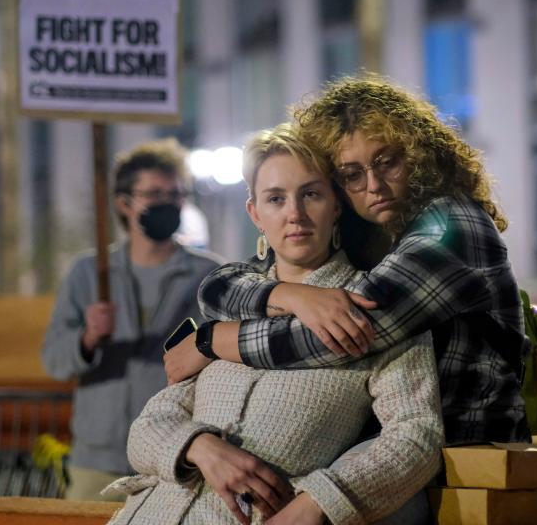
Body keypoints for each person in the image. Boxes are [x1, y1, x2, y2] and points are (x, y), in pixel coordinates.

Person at [106, 125, 443, 525]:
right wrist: (200, 448)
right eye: (276, 199)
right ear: (255, 214)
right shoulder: (236, 302)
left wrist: (320, 501)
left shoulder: (376, 306)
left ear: (336, 204)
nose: (295, 214)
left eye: (311, 194)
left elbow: (416, 436)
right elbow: (147, 428)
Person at [168, 76, 529, 445]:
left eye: (386, 163)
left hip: (470, 465)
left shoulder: (451, 225)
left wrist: (211, 339)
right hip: (412, 471)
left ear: (418, 155)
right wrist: (292, 295)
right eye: (351, 175)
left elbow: (344, 334)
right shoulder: (370, 232)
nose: (373, 185)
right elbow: (222, 285)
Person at [42, 139, 221, 501]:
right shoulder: (90, 273)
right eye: (154, 193)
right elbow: (54, 361)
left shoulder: (210, 276)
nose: (168, 203)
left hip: (174, 457)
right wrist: (88, 338)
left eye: (176, 193)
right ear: (124, 202)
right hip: (97, 462)